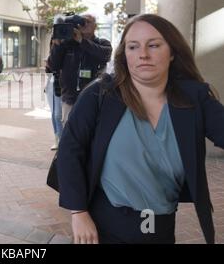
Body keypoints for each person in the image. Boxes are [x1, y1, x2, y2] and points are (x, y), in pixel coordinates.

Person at [57, 14, 224, 244]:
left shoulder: (194, 99)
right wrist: (78, 212)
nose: (143, 54)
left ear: (173, 52)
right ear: (124, 55)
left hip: (161, 227)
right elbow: (69, 150)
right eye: (133, 47)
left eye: (154, 45)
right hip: (104, 226)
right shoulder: (101, 95)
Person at [49, 14, 112, 126]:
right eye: (82, 21)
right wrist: (57, 46)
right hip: (70, 100)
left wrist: (82, 41)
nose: (84, 24)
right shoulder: (68, 44)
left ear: (95, 26)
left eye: (88, 21)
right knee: (69, 134)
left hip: (94, 100)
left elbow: (104, 55)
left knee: (92, 134)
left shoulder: (103, 43)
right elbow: (53, 65)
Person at [44, 55, 63, 150]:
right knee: (53, 114)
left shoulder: (65, 52)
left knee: (57, 115)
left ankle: (61, 140)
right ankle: (57, 140)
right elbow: (48, 73)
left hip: (61, 87)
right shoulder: (52, 55)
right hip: (51, 86)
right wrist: (48, 66)